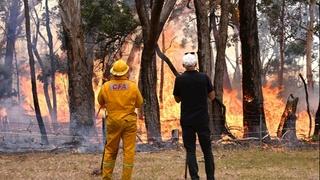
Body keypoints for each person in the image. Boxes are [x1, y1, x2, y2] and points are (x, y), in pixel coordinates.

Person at [98, 59, 143, 180]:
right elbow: (139, 103)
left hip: (113, 121)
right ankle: (126, 178)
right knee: (128, 151)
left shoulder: (106, 86)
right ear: (126, 72)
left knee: (110, 150)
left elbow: (100, 101)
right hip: (129, 122)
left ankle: (107, 177)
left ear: (113, 73)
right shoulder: (132, 86)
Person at [173, 52, 215, 180]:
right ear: (196, 64)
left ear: (184, 65)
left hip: (187, 120)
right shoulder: (204, 77)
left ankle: (195, 177)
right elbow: (212, 96)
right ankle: (210, 177)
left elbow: (177, 99)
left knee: (190, 150)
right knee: (207, 150)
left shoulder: (179, 79)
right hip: (202, 119)